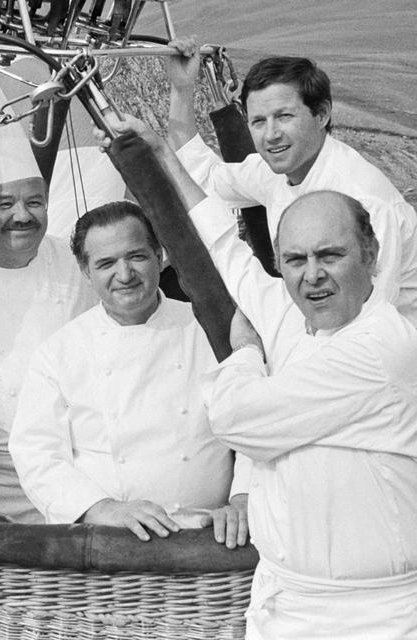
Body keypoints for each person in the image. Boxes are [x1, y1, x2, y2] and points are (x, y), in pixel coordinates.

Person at [196, 190, 417, 639]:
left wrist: (244, 354)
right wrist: (163, 154)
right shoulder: (300, 321)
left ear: (370, 253)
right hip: (285, 605)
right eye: (295, 259)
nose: (313, 275)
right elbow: (228, 252)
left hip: (374, 617)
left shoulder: (378, 347)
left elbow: (233, 416)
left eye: (330, 255)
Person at [9, 201, 250, 544]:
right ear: (85, 270)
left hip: (211, 536)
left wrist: (243, 498)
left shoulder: (211, 330)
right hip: (110, 542)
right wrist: (100, 507)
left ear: (160, 255)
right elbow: (36, 453)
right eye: (106, 263)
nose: (124, 275)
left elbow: (257, 422)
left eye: (136, 256)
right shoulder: (59, 352)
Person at [0, 79, 97, 523]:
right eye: (4, 202)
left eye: (34, 201)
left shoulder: (77, 259)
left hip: (75, 481)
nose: (22, 216)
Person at [166, 42, 417, 325]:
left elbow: (370, 318)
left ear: (321, 114)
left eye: (284, 116)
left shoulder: (365, 199)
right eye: (258, 121)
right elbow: (202, 176)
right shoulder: (273, 172)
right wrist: (181, 89)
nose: (271, 134)